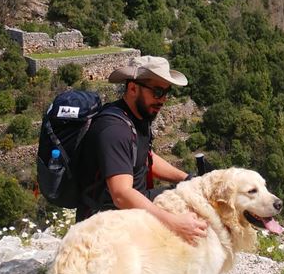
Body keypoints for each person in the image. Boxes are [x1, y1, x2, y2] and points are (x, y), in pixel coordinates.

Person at [75, 55, 207, 244]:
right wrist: (174, 223)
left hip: (131, 209)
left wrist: (186, 179)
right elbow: (121, 194)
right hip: (106, 223)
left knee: (190, 195)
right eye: (157, 91)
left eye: (166, 92)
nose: (163, 100)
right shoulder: (115, 130)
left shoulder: (136, 118)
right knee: (188, 208)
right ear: (133, 88)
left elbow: (145, 157)